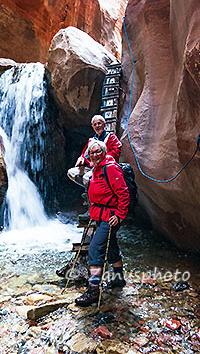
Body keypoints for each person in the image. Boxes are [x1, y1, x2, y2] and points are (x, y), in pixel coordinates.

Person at [75, 140, 129, 307]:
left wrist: (119, 215)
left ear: (104, 152)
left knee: (95, 249)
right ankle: (118, 279)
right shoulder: (97, 168)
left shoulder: (110, 168)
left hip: (110, 217)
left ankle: (93, 290)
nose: (95, 154)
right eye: (92, 152)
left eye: (98, 151)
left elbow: (124, 193)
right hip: (101, 215)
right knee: (110, 245)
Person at [67, 115, 122, 187]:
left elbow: (116, 151)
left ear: (104, 124)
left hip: (105, 168)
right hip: (91, 167)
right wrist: (82, 159)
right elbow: (85, 154)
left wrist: (100, 161)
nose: (97, 126)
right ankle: (91, 189)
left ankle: (93, 191)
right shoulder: (92, 140)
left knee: (86, 178)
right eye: (95, 124)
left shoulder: (111, 137)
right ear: (92, 127)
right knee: (71, 173)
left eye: (99, 123)